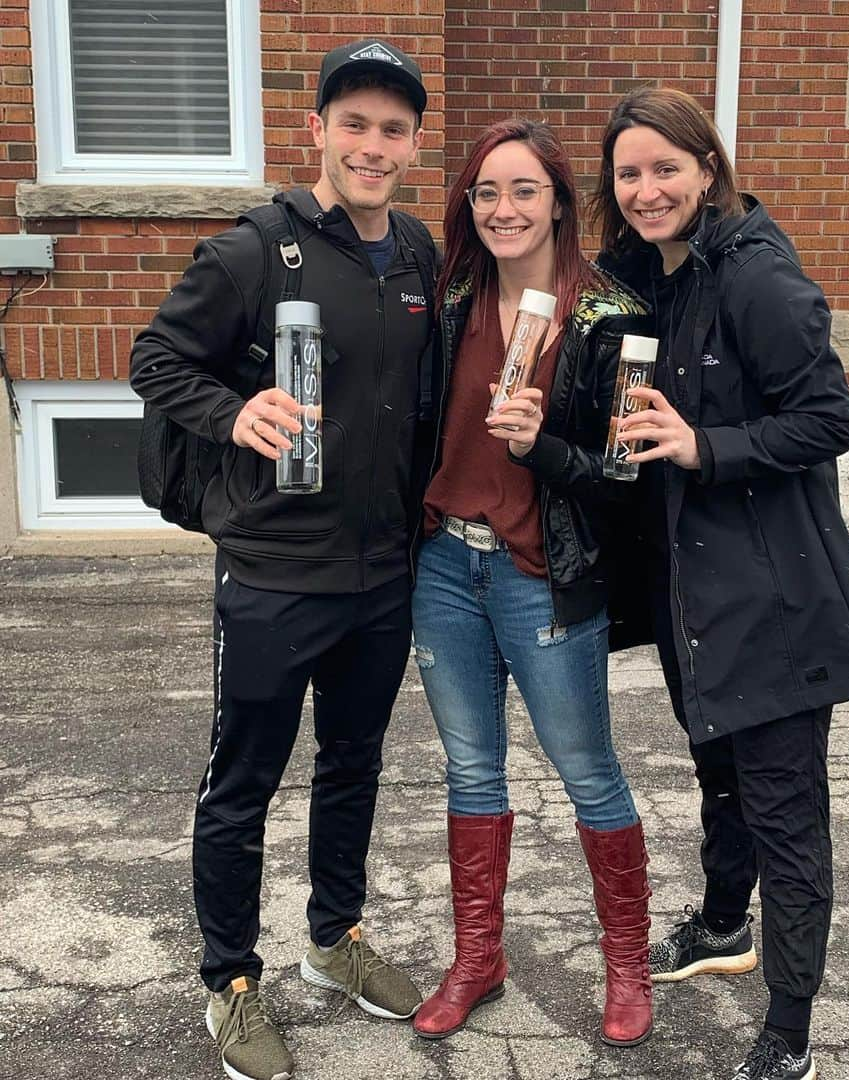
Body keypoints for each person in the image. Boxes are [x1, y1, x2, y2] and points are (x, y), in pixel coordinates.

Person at [129, 39, 442, 1080]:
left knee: (353, 768)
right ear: (316, 130)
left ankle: (333, 938)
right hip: (271, 572)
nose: (372, 144)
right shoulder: (251, 251)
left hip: (381, 578)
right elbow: (156, 359)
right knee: (243, 786)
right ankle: (229, 980)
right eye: (352, 123)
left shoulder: (416, 254)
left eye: (392, 129)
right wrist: (235, 409)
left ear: (411, 144)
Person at [591, 87, 849, 1080]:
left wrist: (701, 445)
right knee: (719, 773)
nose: (646, 190)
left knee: (786, 814)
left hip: (777, 602)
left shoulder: (758, 280)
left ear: (708, 169)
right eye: (628, 173)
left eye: (665, 168)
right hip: (697, 596)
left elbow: (828, 420)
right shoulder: (654, 282)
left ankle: (790, 1032)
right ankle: (725, 923)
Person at [409, 118, 654, 1048]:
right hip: (443, 567)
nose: (504, 209)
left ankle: (625, 965)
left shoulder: (612, 318)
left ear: (559, 199)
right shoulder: (450, 296)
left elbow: (628, 481)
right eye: (486, 192)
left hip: (543, 576)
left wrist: (542, 446)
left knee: (588, 771)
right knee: (471, 767)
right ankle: (479, 956)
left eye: (523, 190)